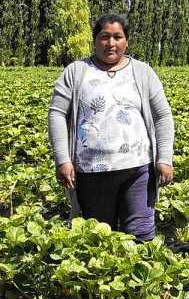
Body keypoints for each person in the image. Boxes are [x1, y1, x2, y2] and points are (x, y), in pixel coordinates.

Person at [47, 13, 174, 241]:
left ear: (126, 41)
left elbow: (162, 116)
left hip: (138, 170)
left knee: (141, 235)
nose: (111, 43)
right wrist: (63, 160)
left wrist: (164, 158)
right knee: (96, 238)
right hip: (91, 173)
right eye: (105, 37)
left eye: (118, 37)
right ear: (95, 40)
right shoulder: (76, 72)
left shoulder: (143, 72)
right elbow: (56, 114)